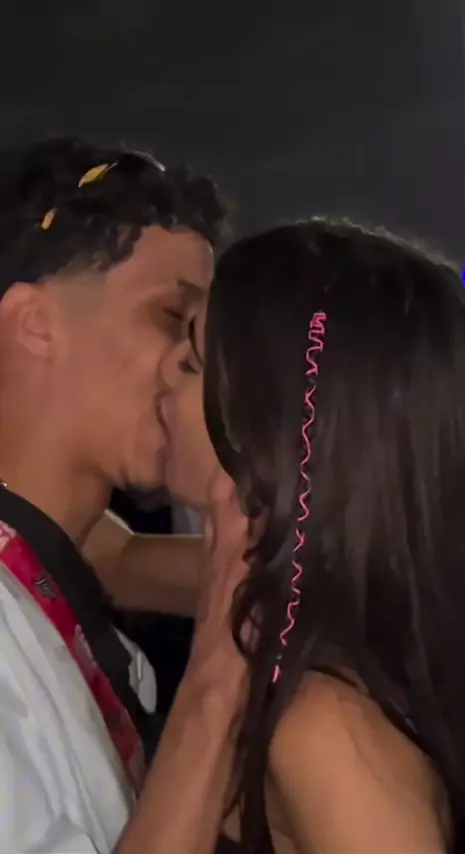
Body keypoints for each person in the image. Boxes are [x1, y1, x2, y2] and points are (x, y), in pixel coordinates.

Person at [163, 218, 465, 853]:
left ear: (270, 430)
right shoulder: (269, 590)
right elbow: (113, 557)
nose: (163, 371)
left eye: (192, 362)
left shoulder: (327, 733)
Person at [0, 135, 248, 854]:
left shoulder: (65, 593)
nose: (196, 362)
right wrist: (218, 680)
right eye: (173, 317)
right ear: (34, 325)